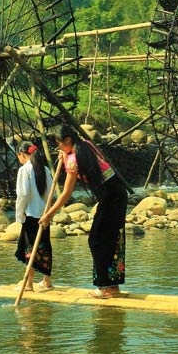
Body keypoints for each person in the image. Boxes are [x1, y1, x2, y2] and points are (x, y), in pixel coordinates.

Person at [40, 125, 129, 298]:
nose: (58, 148)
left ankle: (104, 287)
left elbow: (66, 193)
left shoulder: (73, 160)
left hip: (111, 197)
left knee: (96, 240)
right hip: (118, 193)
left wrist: (49, 214)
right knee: (110, 239)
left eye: (59, 144)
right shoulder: (87, 144)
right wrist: (66, 155)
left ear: (67, 141)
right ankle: (112, 287)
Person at [14, 140, 54, 292]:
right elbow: (50, 193)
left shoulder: (24, 170)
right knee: (44, 247)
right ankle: (47, 281)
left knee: (30, 249)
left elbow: (23, 194)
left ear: (22, 155)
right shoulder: (44, 169)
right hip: (44, 215)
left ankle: (29, 284)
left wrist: (19, 215)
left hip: (31, 215)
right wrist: (49, 212)